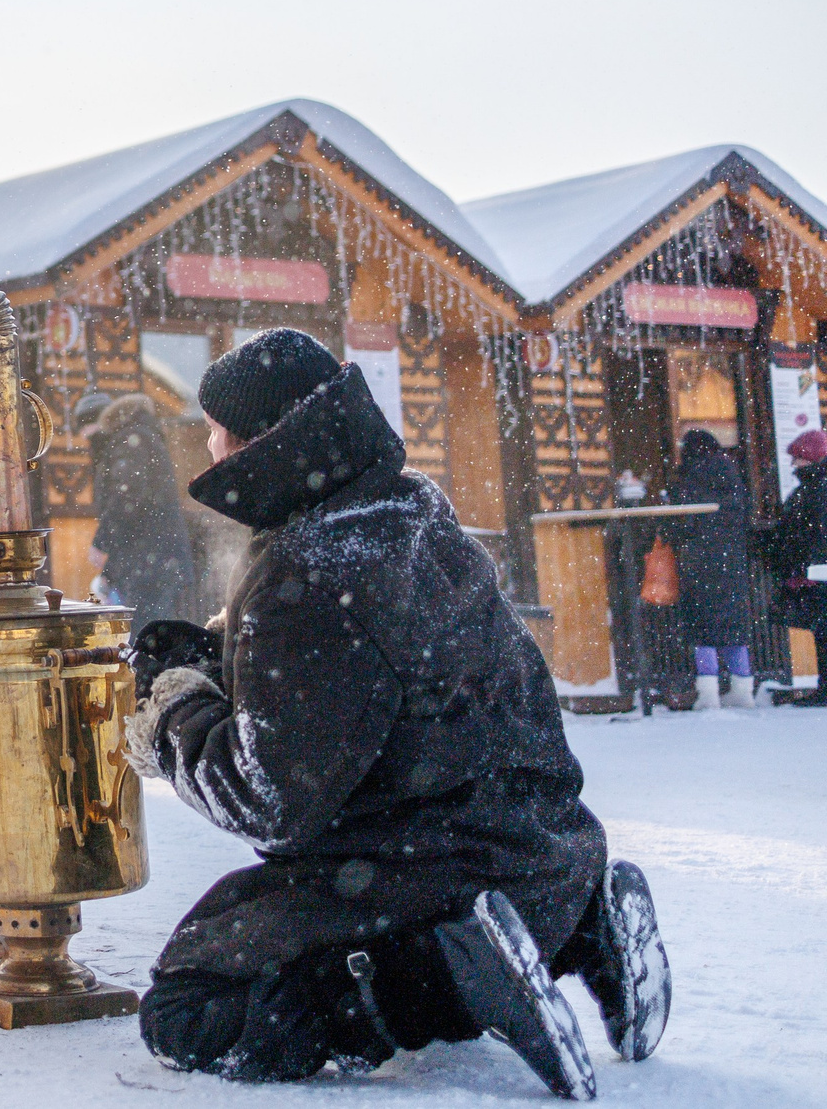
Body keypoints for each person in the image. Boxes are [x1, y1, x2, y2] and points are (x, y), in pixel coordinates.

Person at [126, 328, 668, 1098]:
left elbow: (269, 799)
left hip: (430, 870)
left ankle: (451, 976)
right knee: (274, 927)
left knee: (188, 1010)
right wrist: (222, 655)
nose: (207, 449)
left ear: (253, 443)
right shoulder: (407, 508)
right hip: (550, 848)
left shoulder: (306, 573)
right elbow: (380, 677)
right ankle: (586, 931)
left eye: (214, 431)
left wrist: (175, 717)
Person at [80, 391, 198, 627]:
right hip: (154, 561)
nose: (85, 437)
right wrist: (109, 571)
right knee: (158, 630)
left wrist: (101, 542)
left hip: (149, 565)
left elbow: (128, 499)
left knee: (148, 631)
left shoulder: (130, 441)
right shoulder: (138, 437)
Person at [667, 428, 758, 709]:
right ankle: (743, 689)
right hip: (732, 561)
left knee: (702, 628)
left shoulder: (690, 477)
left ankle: (708, 692)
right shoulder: (731, 473)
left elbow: (681, 522)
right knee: (734, 626)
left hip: (699, 561)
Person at [757, 428, 827, 706]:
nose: (794, 465)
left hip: (815, 571)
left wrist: (797, 561)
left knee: (822, 630)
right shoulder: (812, 489)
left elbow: (804, 532)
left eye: (798, 458)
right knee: (821, 630)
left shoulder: (813, 490)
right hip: (814, 570)